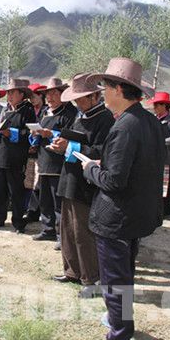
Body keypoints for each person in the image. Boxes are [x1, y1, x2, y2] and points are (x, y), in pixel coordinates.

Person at [82, 58, 165, 340]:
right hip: (136, 215)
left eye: (105, 87)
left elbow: (114, 181)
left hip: (117, 218)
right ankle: (120, 321)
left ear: (118, 89)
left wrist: (91, 168)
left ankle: (119, 331)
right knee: (124, 275)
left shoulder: (125, 127)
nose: (102, 92)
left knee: (115, 280)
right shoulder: (149, 121)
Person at [50, 73, 114, 298]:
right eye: (76, 99)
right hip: (69, 179)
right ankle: (72, 271)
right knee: (66, 229)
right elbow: (71, 139)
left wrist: (70, 147)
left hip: (86, 182)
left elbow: (101, 152)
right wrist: (60, 144)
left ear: (95, 96)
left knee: (83, 232)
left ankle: (91, 278)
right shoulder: (80, 116)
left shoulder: (105, 119)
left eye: (82, 98)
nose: (77, 103)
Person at [29, 78, 76, 242]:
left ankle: (61, 235)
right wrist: (34, 135)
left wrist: (51, 135)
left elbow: (69, 136)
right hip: (43, 161)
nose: (50, 97)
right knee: (45, 199)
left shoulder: (69, 114)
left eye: (54, 93)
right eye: (47, 94)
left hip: (58, 164)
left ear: (63, 94)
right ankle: (47, 229)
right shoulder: (44, 112)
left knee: (59, 202)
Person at [0, 79, 36, 233]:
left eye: (13, 92)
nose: (9, 95)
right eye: (8, 92)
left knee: (16, 192)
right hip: (1, 154)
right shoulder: (5, 109)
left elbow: (30, 133)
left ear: (22, 94)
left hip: (16, 157)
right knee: (0, 190)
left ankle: (18, 222)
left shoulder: (28, 110)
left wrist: (12, 133)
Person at [147, 91, 170, 216]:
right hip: (156, 158)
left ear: (164, 106)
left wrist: (161, 142)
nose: (154, 108)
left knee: (165, 187)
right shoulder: (155, 120)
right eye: (154, 105)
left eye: (157, 105)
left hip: (166, 158)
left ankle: (165, 210)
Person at [23, 83, 48, 222]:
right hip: (30, 149)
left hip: (42, 149)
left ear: (41, 96)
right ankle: (30, 210)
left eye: (34, 97)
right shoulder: (30, 110)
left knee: (39, 182)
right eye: (30, 98)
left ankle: (37, 211)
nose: (32, 100)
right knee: (30, 181)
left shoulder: (46, 111)